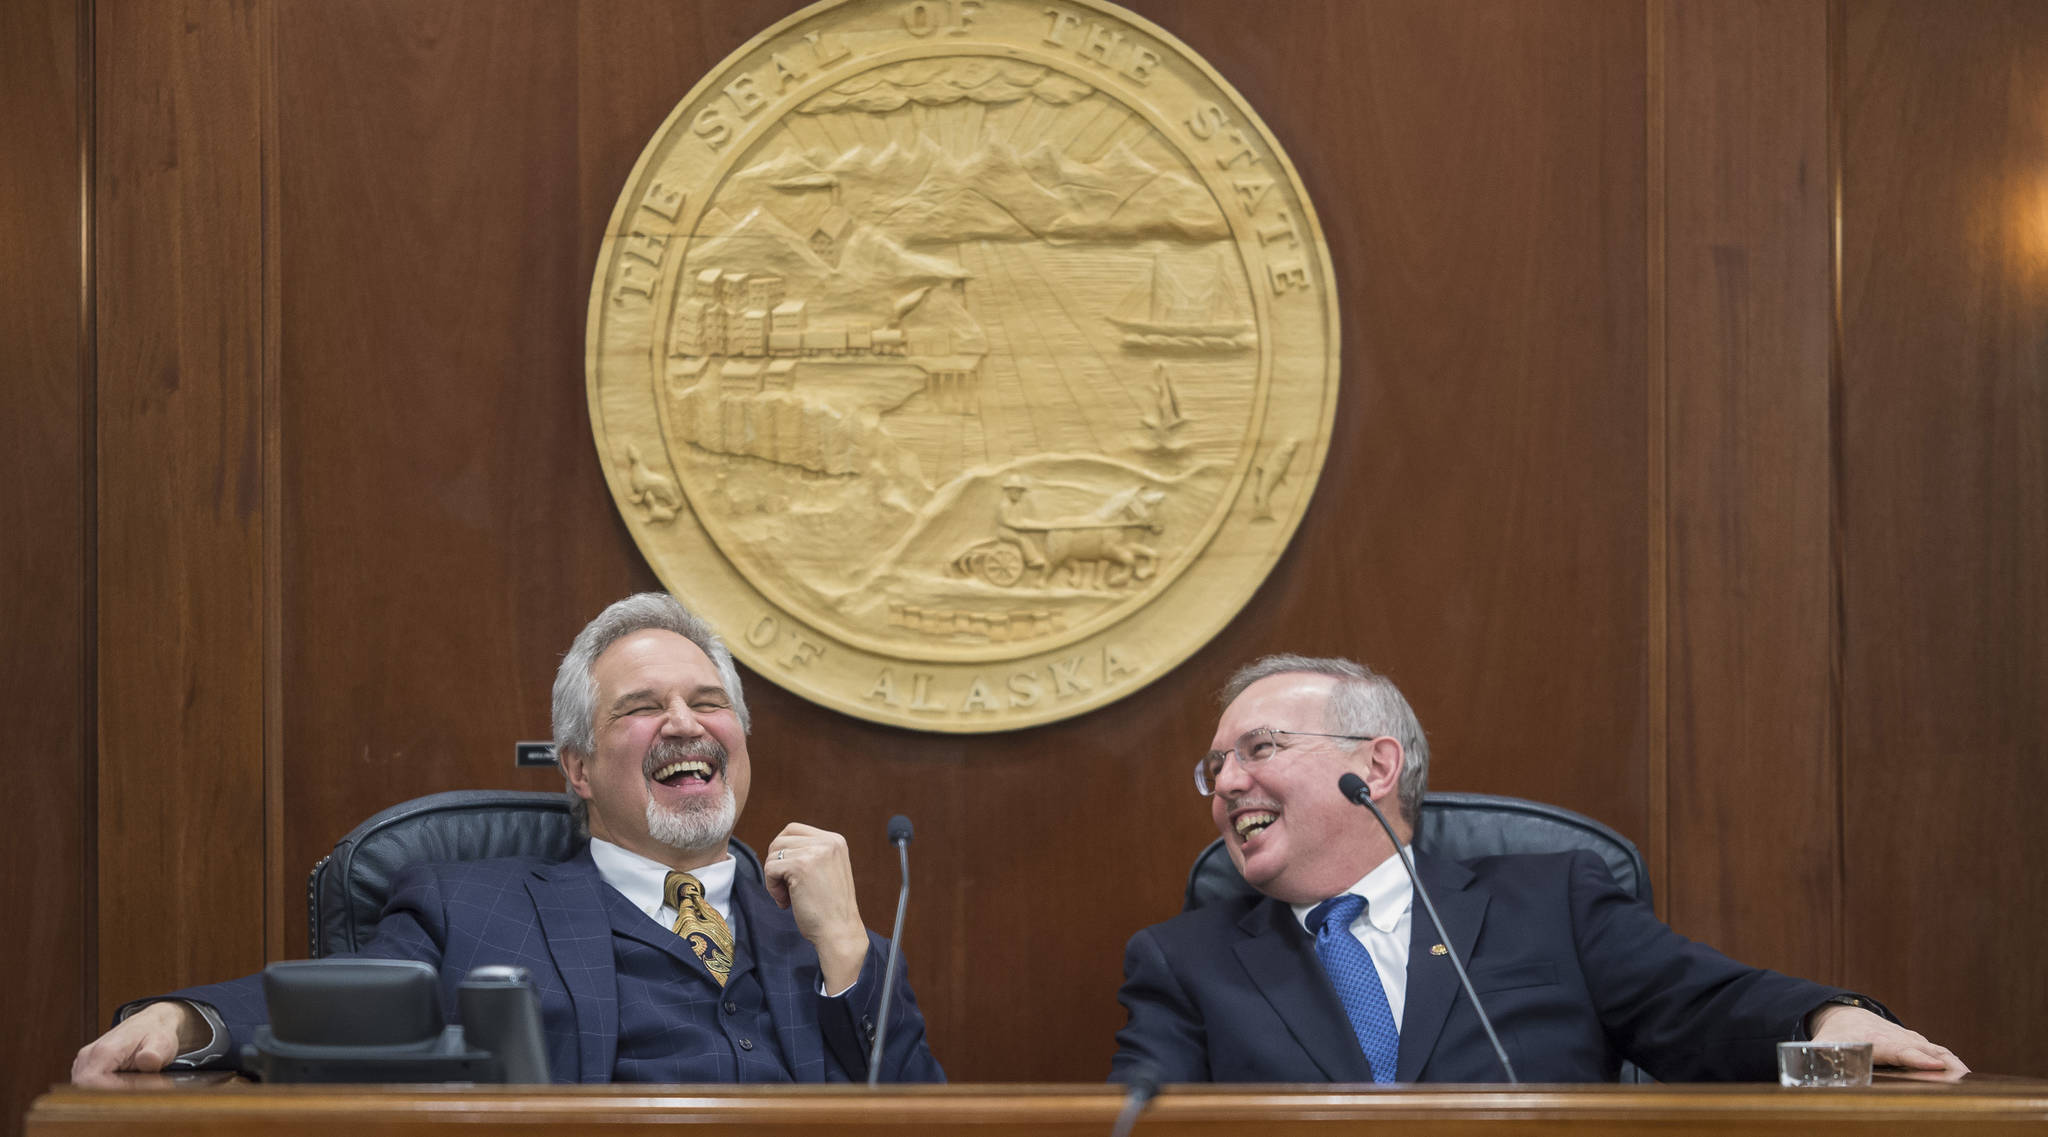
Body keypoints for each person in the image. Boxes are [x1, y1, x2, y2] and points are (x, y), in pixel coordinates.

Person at [73, 592, 944, 1086]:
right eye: (642, 708)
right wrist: (188, 1019)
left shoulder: (830, 938)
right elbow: (342, 1008)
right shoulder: (471, 908)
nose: (685, 723)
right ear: (577, 767)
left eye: (708, 702)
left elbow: (924, 1115)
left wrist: (846, 949)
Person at [1109, 654, 1964, 1084]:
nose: (1227, 782)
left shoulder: (1551, 901)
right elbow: (1135, 1120)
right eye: (1215, 766)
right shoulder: (1183, 961)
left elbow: (1706, 1007)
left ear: (1375, 765)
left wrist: (1830, 1019)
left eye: (1259, 748)